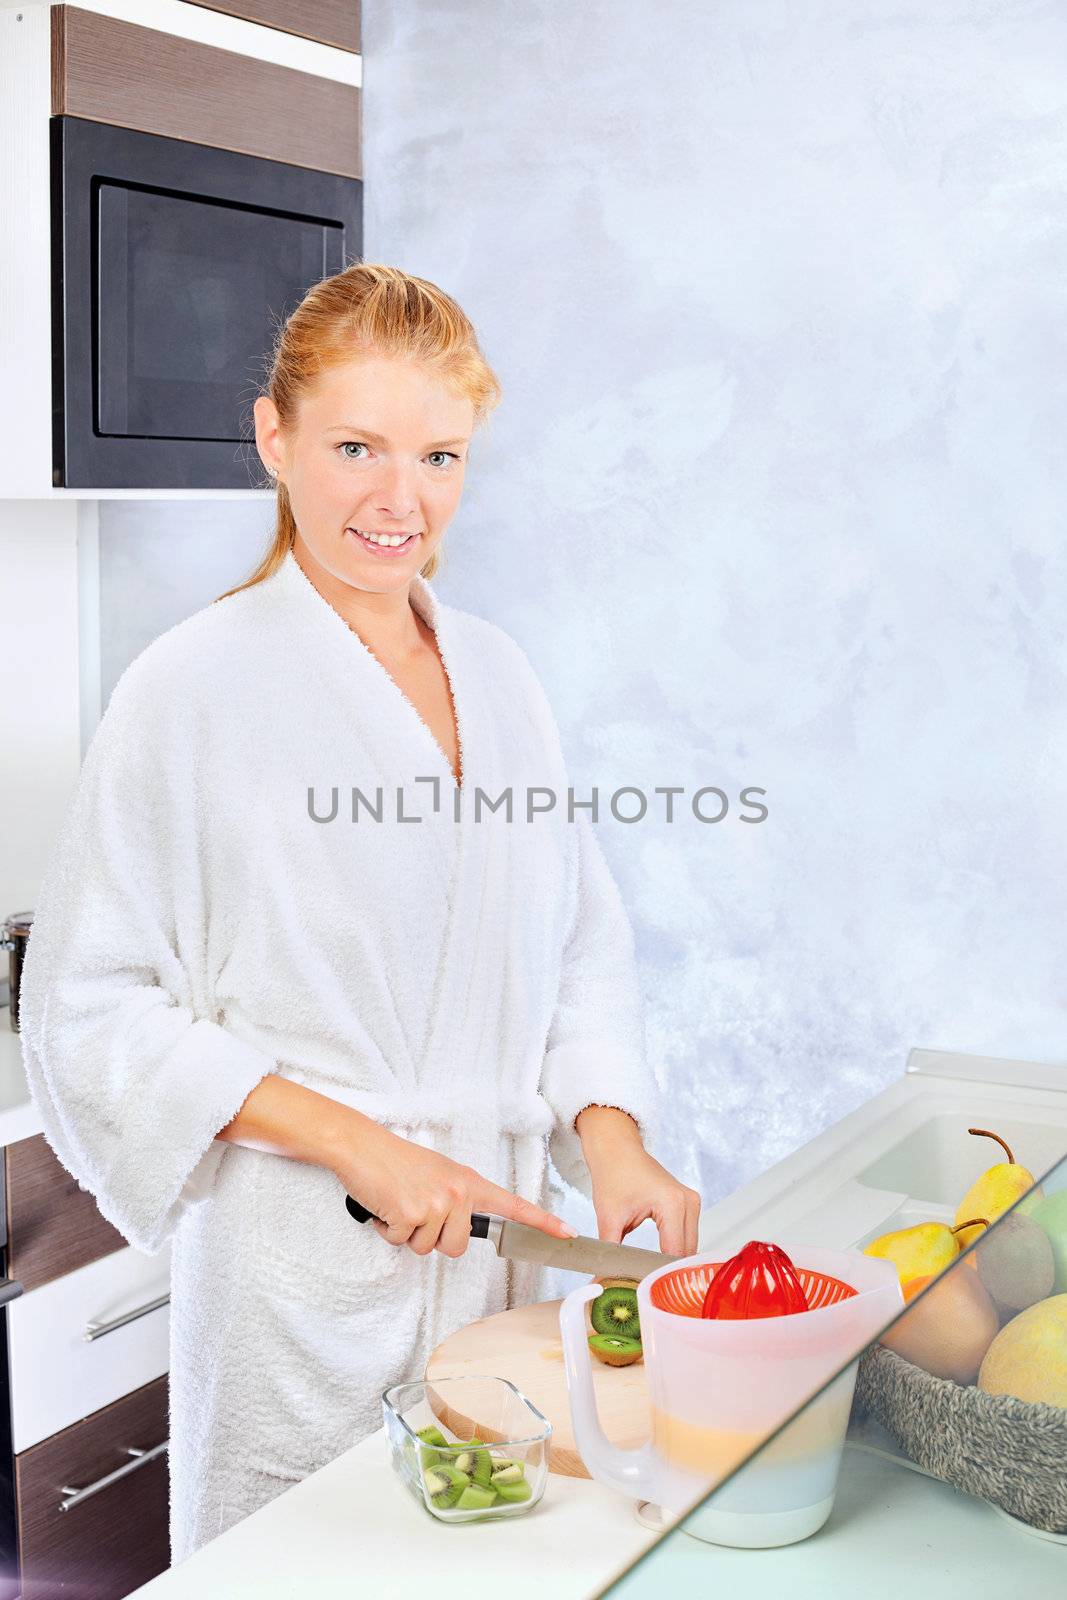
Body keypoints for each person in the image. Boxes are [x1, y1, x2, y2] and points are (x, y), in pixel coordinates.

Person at [18, 263, 700, 1563]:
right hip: (300, 1282)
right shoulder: (194, 689)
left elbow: (576, 952)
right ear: (274, 437)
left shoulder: (499, 677)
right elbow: (87, 1008)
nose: (404, 501)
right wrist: (353, 1142)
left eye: (440, 455)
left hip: (492, 1278)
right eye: (356, 447)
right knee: (304, 1572)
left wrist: (612, 1142)